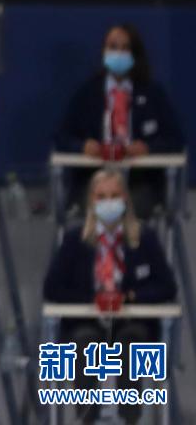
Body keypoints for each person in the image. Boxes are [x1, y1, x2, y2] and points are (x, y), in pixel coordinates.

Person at [43, 168, 176, 425]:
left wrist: (131, 297)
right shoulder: (74, 241)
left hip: (132, 323)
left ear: (125, 199)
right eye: (101, 196)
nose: (109, 202)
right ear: (91, 201)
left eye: (115, 195)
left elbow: (167, 287)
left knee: (131, 342)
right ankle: (86, 418)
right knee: (85, 342)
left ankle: (130, 418)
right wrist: (91, 300)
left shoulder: (145, 239)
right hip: (86, 323)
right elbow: (52, 288)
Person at [55, 24, 184, 217]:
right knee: (95, 205)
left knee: (129, 209)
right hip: (93, 180)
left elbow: (176, 139)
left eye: (125, 48)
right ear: (103, 52)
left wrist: (148, 148)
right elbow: (61, 137)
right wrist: (82, 146)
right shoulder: (87, 93)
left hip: (140, 182)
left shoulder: (152, 93)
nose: (118, 53)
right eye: (113, 47)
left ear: (134, 55)